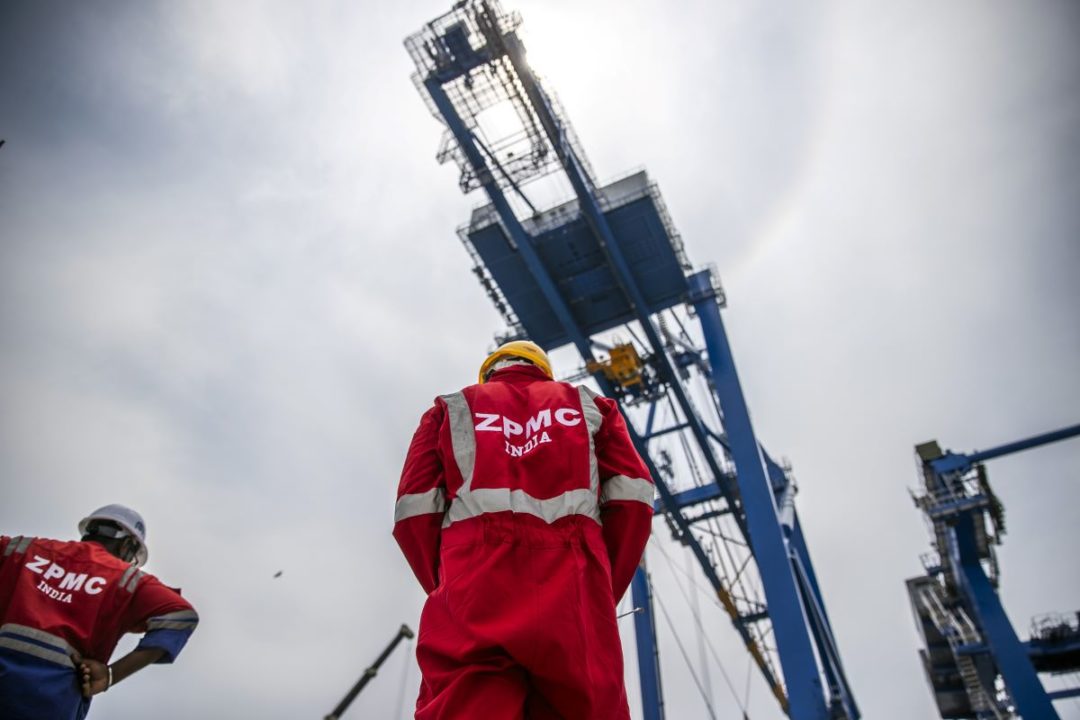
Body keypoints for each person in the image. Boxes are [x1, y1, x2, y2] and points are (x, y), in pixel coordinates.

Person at [394, 340, 655, 719]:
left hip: (475, 585)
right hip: (575, 586)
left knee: (468, 704)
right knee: (587, 704)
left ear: (490, 372)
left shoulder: (449, 410)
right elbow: (634, 501)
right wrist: (598, 585)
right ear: (543, 370)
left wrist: (446, 582)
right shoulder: (593, 409)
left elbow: (413, 511)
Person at [0, 504, 199, 720]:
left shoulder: (23, 549)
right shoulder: (128, 580)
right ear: (127, 546)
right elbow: (180, 615)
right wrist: (111, 675)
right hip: (50, 699)